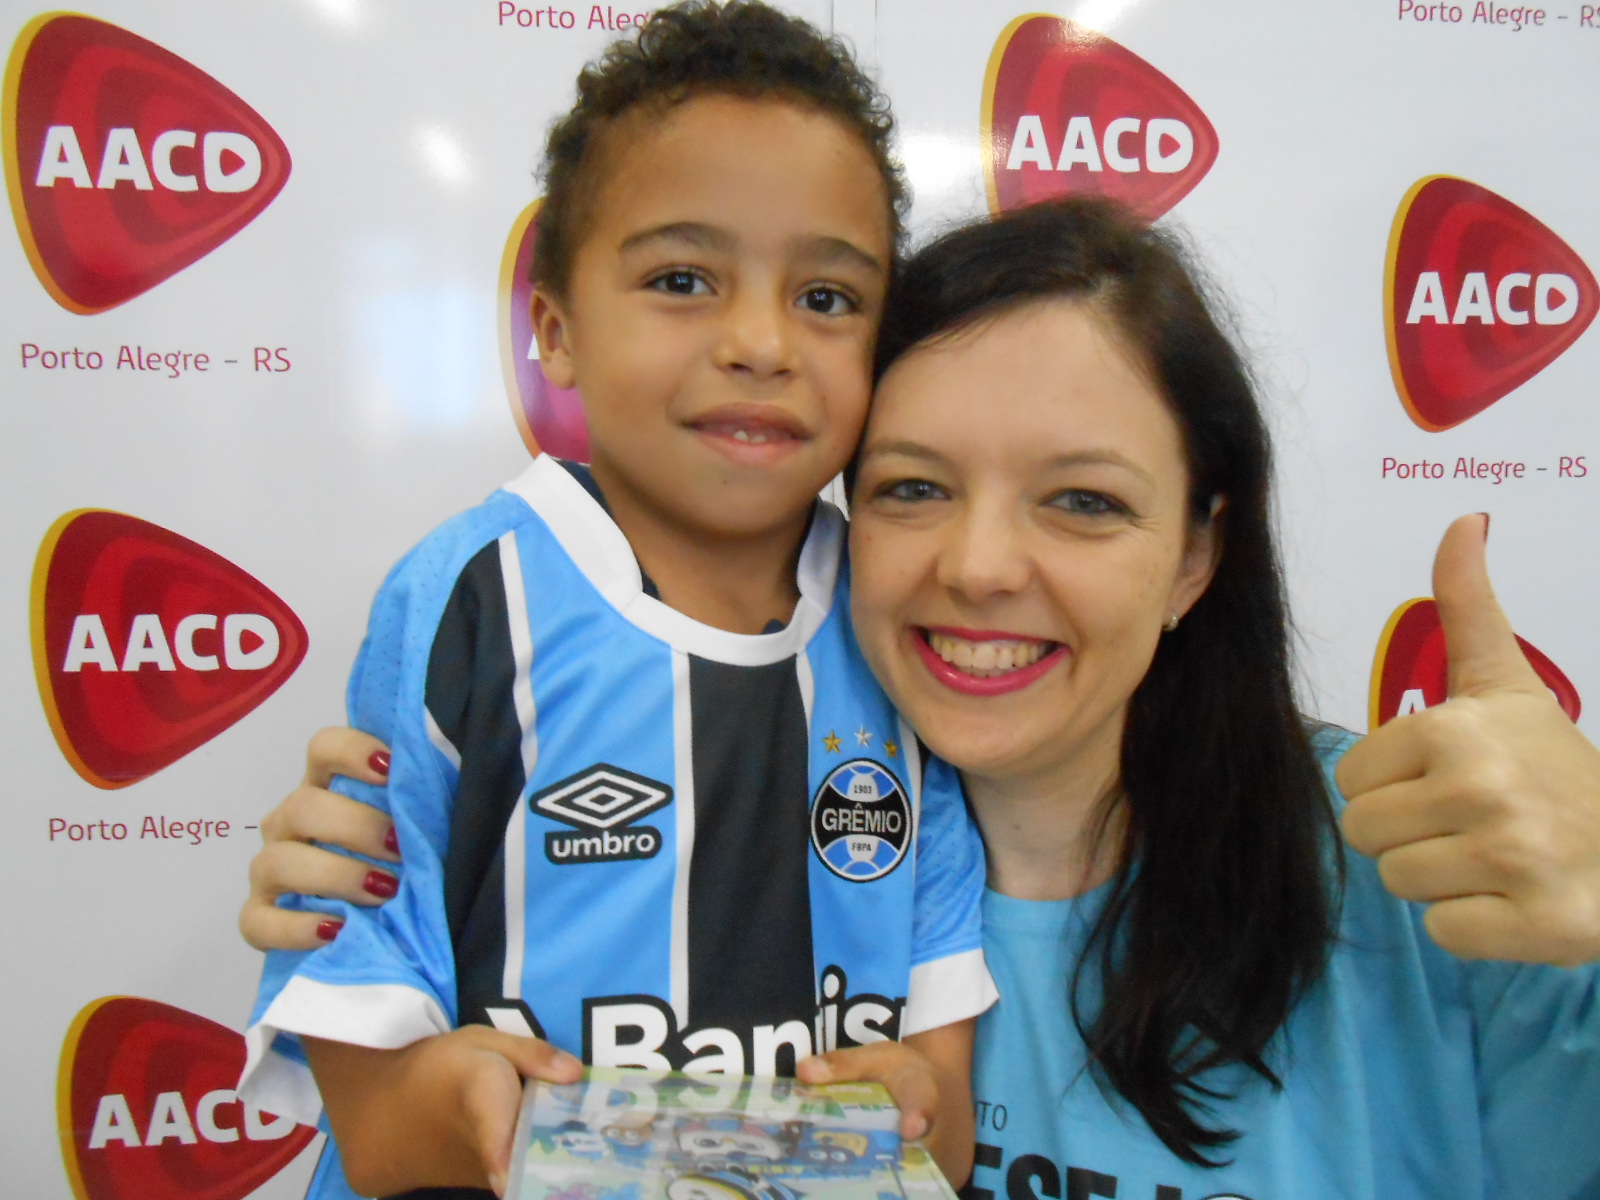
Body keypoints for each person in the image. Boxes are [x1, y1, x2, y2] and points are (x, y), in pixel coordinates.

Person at [248, 196, 1600, 1198]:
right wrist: (414, 873)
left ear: (1196, 553)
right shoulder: (637, 852)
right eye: (912, 487)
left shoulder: (1435, 869)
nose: (981, 566)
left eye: (1083, 501)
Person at [236, 6, 997, 1199]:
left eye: (828, 299)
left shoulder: (896, 607)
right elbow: (379, 1132)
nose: (759, 341)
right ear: (555, 326)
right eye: (682, 279)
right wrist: (475, 1105)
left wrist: (912, 1104)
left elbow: (941, 1127)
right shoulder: (471, 600)